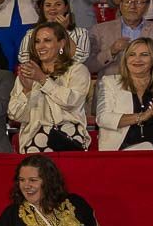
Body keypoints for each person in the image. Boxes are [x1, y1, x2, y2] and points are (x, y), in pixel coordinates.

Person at [8, 22, 91, 153]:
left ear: (61, 43)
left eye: (47, 40)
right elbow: (16, 115)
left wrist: (42, 79)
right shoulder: (27, 73)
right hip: (33, 142)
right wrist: (27, 91)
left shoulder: (77, 70)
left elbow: (71, 102)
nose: (41, 46)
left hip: (68, 137)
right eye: (37, 41)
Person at [96, 38, 153, 151]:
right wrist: (141, 116)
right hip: (119, 152)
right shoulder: (110, 82)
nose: (137, 59)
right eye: (132, 55)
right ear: (125, 59)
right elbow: (103, 118)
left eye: (144, 55)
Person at [88, 0, 153, 79]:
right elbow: (90, 66)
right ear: (121, 5)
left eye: (138, 2)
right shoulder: (99, 30)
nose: (132, 6)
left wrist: (143, 69)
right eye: (128, 2)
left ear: (147, 6)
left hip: (149, 87)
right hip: (111, 89)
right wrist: (111, 51)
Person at [17, 0, 91, 65]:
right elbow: (24, 58)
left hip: (69, 73)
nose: (52, 8)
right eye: (48, 5)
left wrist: (63, 30)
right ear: (42, 9)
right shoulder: (31, 33)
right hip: (40, 71)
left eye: (58, 5)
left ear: (66, 8)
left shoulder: (81, 33)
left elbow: (80, 58)